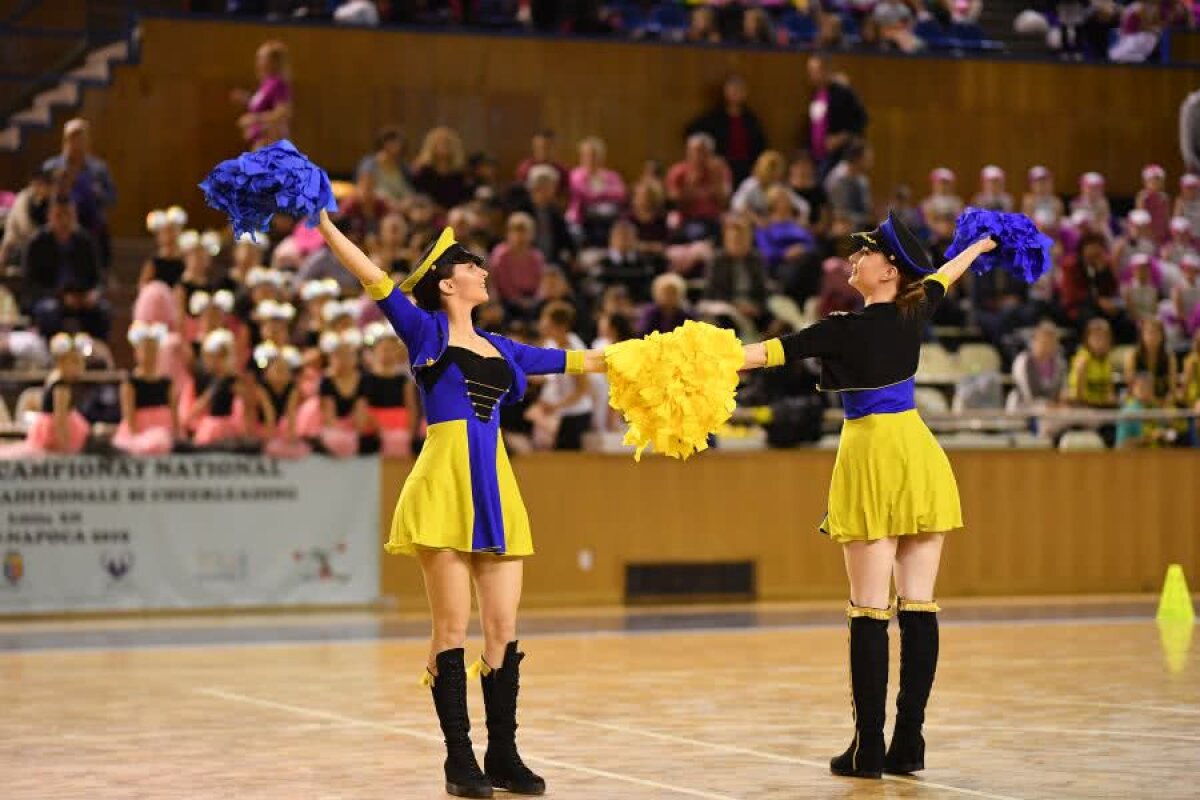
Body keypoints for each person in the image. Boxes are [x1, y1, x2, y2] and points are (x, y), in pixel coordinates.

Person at [314, 212, 605, 798]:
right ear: (447, 284)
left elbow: (585, 361)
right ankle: (458, 761)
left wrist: (667, 357)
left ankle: (503, 755)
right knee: (450, 626)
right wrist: (324, 223)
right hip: (443, 484)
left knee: (503, 627)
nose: (480, 271)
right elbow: (372, 278)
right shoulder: (425, 333)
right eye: (470, 265)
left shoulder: (502, 347)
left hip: (495, 484)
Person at [741, 212, 997, 780]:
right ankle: (909, 744)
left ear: (887, 271)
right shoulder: (913, 311)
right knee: (920, 603)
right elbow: (944, 276)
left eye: (864, 254)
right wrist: (979, 246)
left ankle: (869, 749)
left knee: (869, 609)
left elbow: (758, 355)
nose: (852, 260)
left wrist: (684, 360)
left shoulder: (839, 328)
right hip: (919, 456)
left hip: (869, 459)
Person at [23, 195, 109, 341]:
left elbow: (97, 280)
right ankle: (51, 355)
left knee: (102, 311)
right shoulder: (37, 243)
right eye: (58, 216)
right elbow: (31, 285)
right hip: (49, 297)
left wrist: (93, 294)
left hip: (81, 299)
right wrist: (61, 298)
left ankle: (95, 354)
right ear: (49, 217)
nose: (64, 221)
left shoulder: (85, 242)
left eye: (68, 215)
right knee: (49, 310)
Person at [0, 332, 94, 458]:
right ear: (61, 363)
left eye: (81, 362)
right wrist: (65, 449)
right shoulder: (61, 386)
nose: (80, 368)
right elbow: (60, 420)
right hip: (53, 433)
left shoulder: (55, 377)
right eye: (75, 362)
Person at [42, 118, 117, 268]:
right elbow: (40, 196)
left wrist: (96, 193)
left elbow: (112, 198)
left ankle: (98, 276)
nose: (76, 143)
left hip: (90, 224)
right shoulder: (51, 167)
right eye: (72, 138)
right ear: (65, 141)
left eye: (80, 138)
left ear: (87, 141)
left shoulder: (99, 169)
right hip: (57, 222)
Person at [532, 301, 594, 451]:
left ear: (560, 326)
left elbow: (582, 389)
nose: (541, 325)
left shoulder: (573, 352)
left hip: (575, 416)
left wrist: (556, 406)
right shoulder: (550, 343)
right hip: (558, 412)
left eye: (546, 321)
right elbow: (549, 377)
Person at [686, 74, 767, 186]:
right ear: (726, 92)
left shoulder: (751, 119)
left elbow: (760, 144)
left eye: (740, 90)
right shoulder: (714, 117)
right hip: (721, 166)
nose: (736, 93)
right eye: (733, 90)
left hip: (747, 167)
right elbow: (692, 131)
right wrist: (710, 157)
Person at [113, 321, 179, 456]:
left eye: (153, 349)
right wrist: (136, 438)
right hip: (140, 431)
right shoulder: (130, 382)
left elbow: (174, 413)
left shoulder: (167, 382)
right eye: (145, 349)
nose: (150, 354)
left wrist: (177, 435)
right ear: (136, 351)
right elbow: (128, 415)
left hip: (164, 429)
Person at [361, 321, 421, 458]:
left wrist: (410, 433)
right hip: (373, 424)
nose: (386, 354)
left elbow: (411, 407)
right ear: (375, 351)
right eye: (383, 349)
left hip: (399, 425)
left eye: (390, 350)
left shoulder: (404, 380)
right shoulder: (366, 379)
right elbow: (362, 406)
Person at [803, 55, 868, 179]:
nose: (811, 75)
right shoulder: (816, 94)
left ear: (827, 71)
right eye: (810, 71)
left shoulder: (843, 93)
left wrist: (841, 137)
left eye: (815, 71)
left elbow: (862, 119)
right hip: (817, 156)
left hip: (837, 156)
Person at [666, 133, 733, 243]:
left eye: (703, 152)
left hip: (715, 219)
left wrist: (716, 179)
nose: (698, 156)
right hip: (688, 220)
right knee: (698, 233)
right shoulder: (678, 172)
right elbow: (674, 203)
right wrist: (692, 182)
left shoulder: (720, 171)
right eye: (694, 151)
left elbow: (725, 202)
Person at [253, 341, 311, 459]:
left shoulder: (292, 388)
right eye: (278, 370)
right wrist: (270, 441)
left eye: (285, 370)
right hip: (261, 427)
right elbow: (269, 415)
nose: (282, 374)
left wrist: (292, 438)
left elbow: (291, 414)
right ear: (267, 372)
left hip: (280, 428)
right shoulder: (262, 388)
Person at [567, 136, 628, 248]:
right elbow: (584, 194)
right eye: (588, 155)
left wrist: (598, 195)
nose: (591, 159)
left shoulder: (612, 176)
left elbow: (621, 194)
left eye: (595, 155)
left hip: (610, 219)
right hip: (584, 219)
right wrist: (605, 195)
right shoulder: (576, 175)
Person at [230, 40, 291, 148]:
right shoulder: (266, 84)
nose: (258, 62)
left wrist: (253, 119)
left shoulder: (278, 84)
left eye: (262, 58)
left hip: (270, 143)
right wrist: (247, 99)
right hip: (259, 143)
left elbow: (282, 112)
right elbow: (264, 106)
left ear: (273, 62)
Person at [489, 212, 545, 319]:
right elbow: (502, 282)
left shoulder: (536, 256)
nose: (520, 236)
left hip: (532, 299)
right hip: (506, 300)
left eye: (524, 232)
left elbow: (541, 282)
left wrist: (535, 299)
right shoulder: (501, 254)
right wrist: (518, 300)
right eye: (516, 231)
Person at [731, 150, 809, 226]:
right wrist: (756, 219)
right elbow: (737, 205)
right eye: (769, 169)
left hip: (774, 226)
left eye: (776, 170)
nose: (772, 174)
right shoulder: (751, 184)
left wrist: (801, 220)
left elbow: (803, 206)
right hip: (752, 226)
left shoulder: (779, 187)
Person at [411, 126, 474, 211]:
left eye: (447, 143)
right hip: (429, 212)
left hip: (456, 212)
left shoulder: (460, 171)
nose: (443, 146)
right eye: (439, 143)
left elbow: (467, 196)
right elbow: (418, 194)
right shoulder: (423, 170)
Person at [0, 169, 53, 267]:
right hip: (16, 246)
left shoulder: (47, 200)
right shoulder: (23, 198)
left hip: (38, 243)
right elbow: (25, 227)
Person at [1010, 321, 1067, 410]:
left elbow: (1062, 390)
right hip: (1024, 406)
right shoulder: (1023, 361)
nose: (1048, 345)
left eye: (1052, 341)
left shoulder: (1060, 363)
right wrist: (1048, 405)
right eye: (1044, 341)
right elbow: (1028, 393)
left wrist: (1062, 401)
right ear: (1035, 341)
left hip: (1053, 409)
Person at [1068, 317, 1117, 408]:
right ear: (1087, 338)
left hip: (1101, 406)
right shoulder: (1083, 359)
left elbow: (1110, 391)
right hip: (1082, 407)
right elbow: (1079, 396)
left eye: (1104, 337)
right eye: (1096, 337)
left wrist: (1111, 400)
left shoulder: (1108, 360)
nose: (1100, 341)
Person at [1126, 317, 1177, 405]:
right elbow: (1130, 387)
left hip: (1162, 403)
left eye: (1156, 333)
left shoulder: (1169, 358)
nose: (1152, 336)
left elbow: (1172, 389)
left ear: (1162, 336)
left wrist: (1168, 399)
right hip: (1138, 402)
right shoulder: (1133, 356)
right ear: (1142, 335)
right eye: (1149, 332)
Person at [357, 126, 413, 205]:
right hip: (379, 206)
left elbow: (407, 190)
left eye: (398, 142)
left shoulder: (402, 166)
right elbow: (364, 189)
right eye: (392, 142)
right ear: (383, 143)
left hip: (401, 206)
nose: (396, 146)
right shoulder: (369, 163)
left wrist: (407, 202)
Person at [139, 205, 188, 288]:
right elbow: (144, 287)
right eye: (165, 232)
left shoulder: (185, 260)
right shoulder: (153, 263)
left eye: (172, 231)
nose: (169, 236)